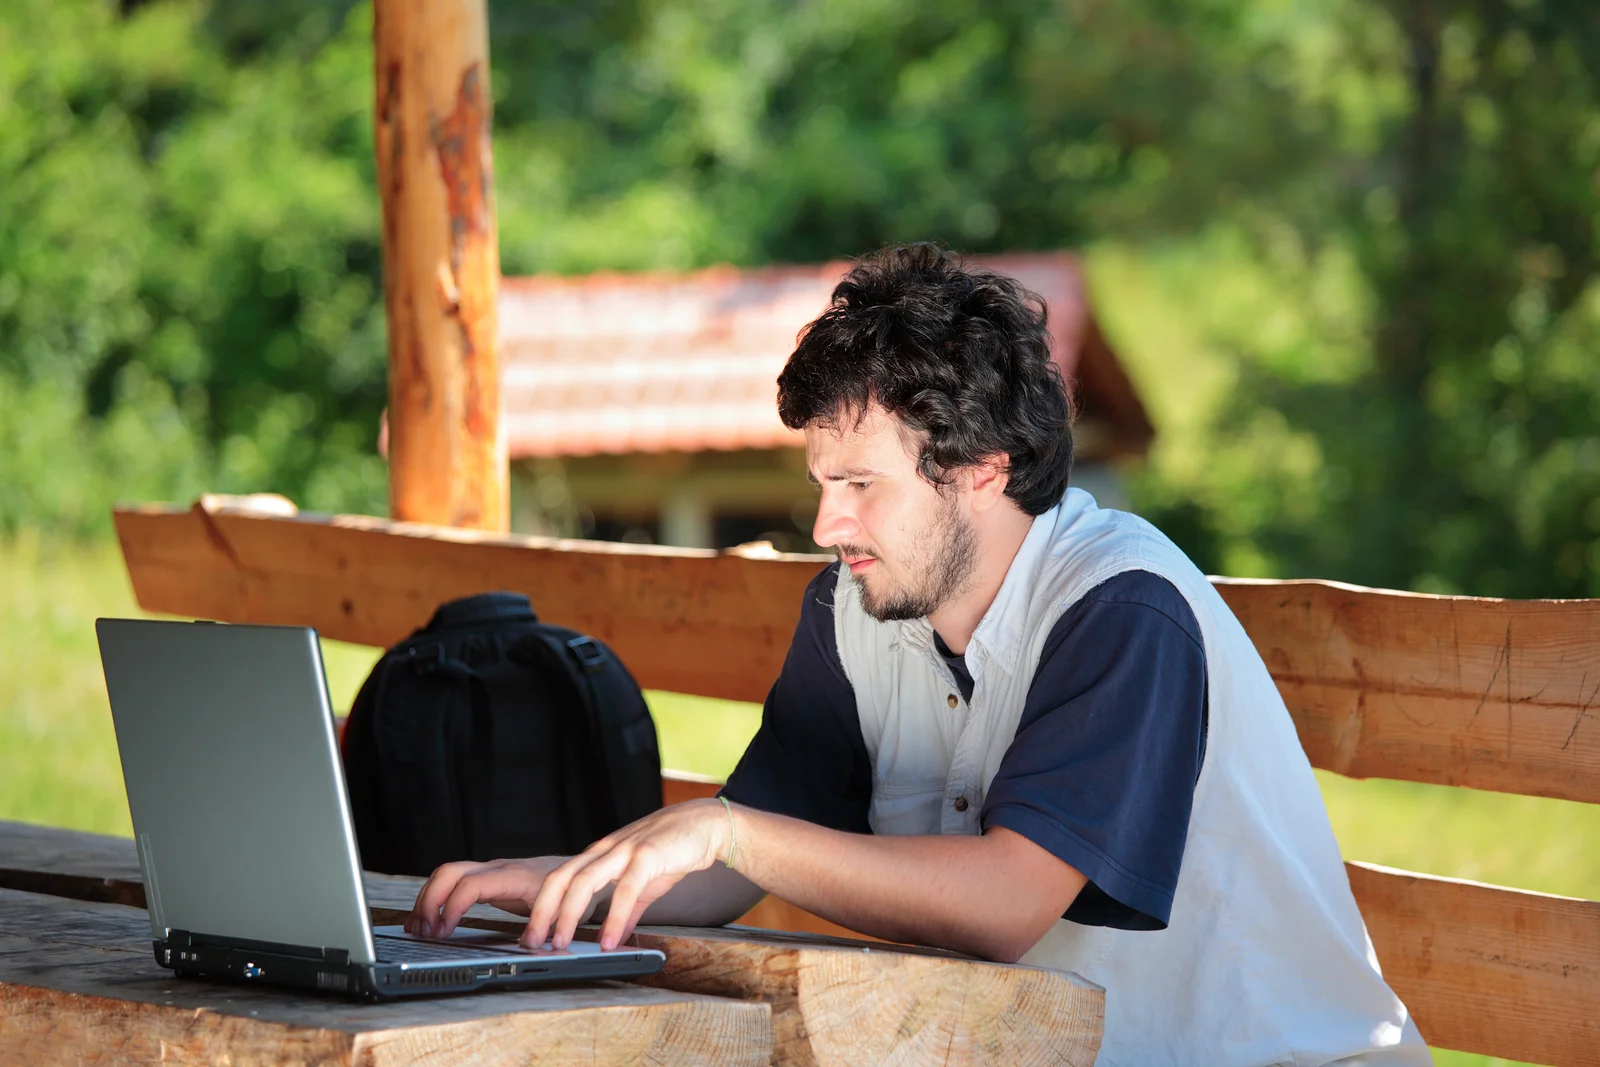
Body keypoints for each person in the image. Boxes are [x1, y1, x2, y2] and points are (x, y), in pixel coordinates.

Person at [407, 244, 1429, 1064]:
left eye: (859, 484)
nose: (824, 522)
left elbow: (1004, 903)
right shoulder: (854, 609)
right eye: (819, 480)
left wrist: (726, 833)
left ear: (981, 468)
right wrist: (553, 884)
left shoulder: (1120, 606)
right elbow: (746, 850)